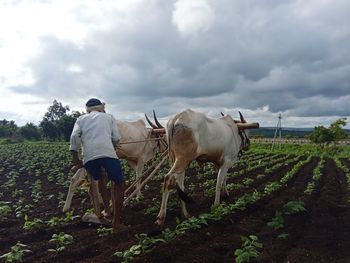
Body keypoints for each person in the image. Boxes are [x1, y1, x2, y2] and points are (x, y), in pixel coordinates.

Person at [69, 98, 126, 233]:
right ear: (101, 108)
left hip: (89, 157)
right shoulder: (109, 117)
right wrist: (111, 148)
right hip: (107, 154)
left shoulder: (81, 119)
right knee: (120, 184)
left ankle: (106, 210)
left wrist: (76, 160)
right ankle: (116, 223)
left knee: (101, 179)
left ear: (87, 109)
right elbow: (116, 138)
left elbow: (74, 137)